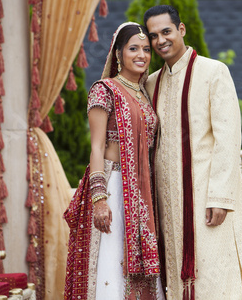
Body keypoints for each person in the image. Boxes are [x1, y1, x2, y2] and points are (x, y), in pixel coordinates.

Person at [143, 5, 242, 300]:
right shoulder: (152, 83)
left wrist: (219, 197)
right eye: (153, 36)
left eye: (166, 31)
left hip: (207, 198)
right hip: (168, 204)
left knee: (214, 277)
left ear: (181, 29)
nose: (160, 41)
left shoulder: (213, 71)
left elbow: (228, 138)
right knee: (176, 281)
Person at [64, 22, 165, 300]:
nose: (142, 54)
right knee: (111, 263)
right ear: (119, 53)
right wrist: (99, 199)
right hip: (114, 188)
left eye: (146, 49)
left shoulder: (145, 93)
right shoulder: (105, 90)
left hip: (141, 194)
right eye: (134, 48)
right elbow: (96, 148)